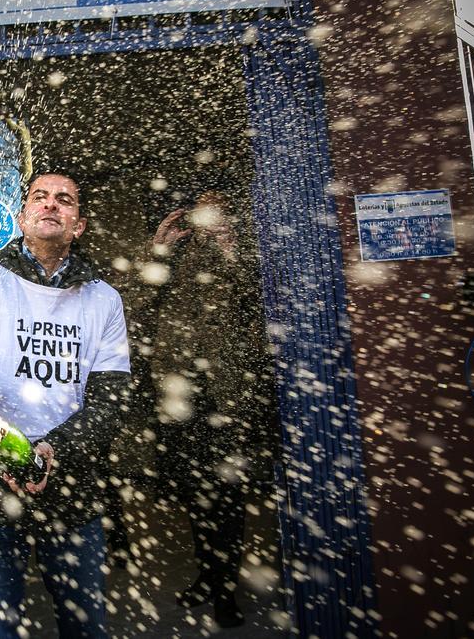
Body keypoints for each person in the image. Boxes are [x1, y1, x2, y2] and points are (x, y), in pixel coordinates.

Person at [0, 172, 132, 638]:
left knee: (85, 624)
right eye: (39, 198)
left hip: (69, 479)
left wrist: (52, 451)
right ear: (22, 218)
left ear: (77, 224)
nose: (50, 205)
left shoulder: (104, 298)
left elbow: (110, 402)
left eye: (63, 200)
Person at [128, 188, 277, 628]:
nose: (205, 217)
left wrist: (231, 248)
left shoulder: (242, 252)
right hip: (177, 398)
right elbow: (135, 311)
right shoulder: (172, 256)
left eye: (215, 208)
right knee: (194, 496)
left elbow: (261, 306)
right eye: (200, 209)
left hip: (226, 397)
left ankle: (226, 590)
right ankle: (208, 576)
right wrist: (159, 248)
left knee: (228, 499)